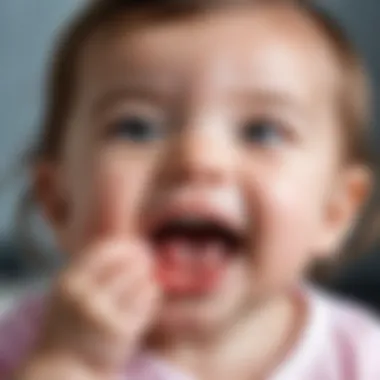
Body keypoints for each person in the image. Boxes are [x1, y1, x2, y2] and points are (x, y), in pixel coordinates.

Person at [1, 0, 379, 379]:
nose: (198, 160)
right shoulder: (33, 340)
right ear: (59, 202)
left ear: (335, 211)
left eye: (261, 132)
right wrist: (70, 363)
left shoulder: (359, 357)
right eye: (136, 128)